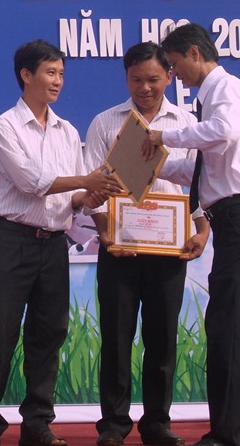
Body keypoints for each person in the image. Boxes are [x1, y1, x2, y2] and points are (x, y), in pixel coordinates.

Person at [0, 39, 122, 446]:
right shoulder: (5, 126)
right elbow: (31, 182)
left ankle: (37, 423)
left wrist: (92, 195)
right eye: (50, 72)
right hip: (13, 241)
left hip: (54, 245)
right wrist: (86, 181)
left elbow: (71, 196)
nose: (58, 81)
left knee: (48, 335)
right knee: (1, 333)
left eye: (61, 73)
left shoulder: (68, 131)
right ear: (26, 75)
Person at [143, 23, 240, 446]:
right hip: (233, 221)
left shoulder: (226, 87)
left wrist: (164, 135)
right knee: (233, 326)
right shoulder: (210, 100)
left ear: (195, 53)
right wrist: (145, 165)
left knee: (229, 327)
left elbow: (223, 132)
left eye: (175, 64)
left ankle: (229, 434)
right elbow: (200, 170)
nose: (174, 74)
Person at [86, 43, 210, 446]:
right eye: (136, 79)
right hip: (118, 248)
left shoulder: (188, 124)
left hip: (169, 250)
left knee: (162, 339)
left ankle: (157, 423)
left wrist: (202, 229)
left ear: (169, 77)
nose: (145, 87)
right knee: (116, 338)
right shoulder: (105, 122)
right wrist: (105, 231)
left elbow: (199, 184)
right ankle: (113, 425)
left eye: (154, 79)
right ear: (126, 78)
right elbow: (94, 187)